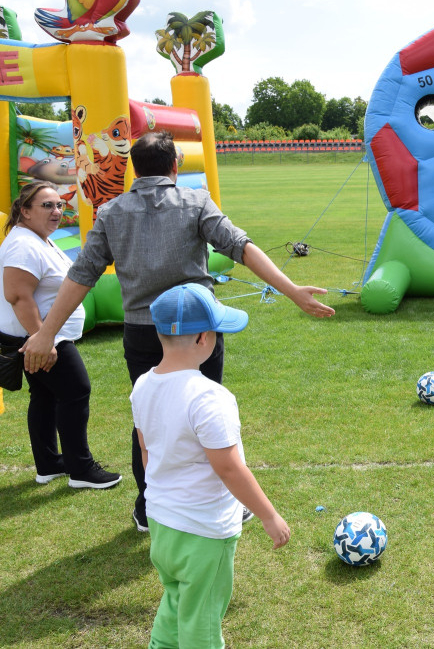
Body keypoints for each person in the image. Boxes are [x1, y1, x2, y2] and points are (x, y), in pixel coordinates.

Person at [21, 131, 334, 531]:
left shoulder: (112, 212)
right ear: (175, 167)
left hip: (143, 335)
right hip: (197, 335)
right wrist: (292, 291)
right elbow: (241, 247)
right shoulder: (194, 201)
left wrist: (46, 332)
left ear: (136, 167)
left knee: (148, 423)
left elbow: (81, 275)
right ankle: (203, 507)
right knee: (205, 418)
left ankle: (149, 509)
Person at [134, 283, 290, 648]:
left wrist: (159, 495)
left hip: (162, 522)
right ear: (205, 338)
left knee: (177, 600)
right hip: (202, 531)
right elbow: (230, 468)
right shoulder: (210, 397)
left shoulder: (143, 385)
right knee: (202, 619)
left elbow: (146, 450)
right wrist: (268, 515)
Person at [0, 181, 121, 489]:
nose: (56, 212)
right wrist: (41, 338)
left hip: (43, 336)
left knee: (45, 395)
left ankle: (50, 463)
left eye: (59, 205)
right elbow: (18, 296)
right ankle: (81, 469)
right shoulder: (23, 244)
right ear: (25, 211)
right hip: (41, 337)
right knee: (75, 391)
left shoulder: (36, 238)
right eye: (47, 206)